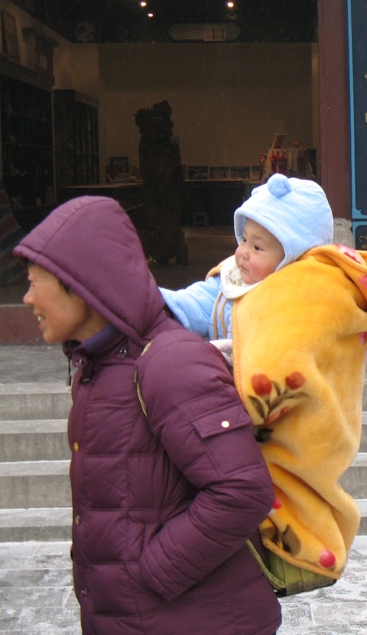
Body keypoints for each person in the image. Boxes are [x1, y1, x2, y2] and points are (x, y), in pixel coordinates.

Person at [14, 196, 282, 635]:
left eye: (33, 283)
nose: (26, 299)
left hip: (195, 620)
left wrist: (150, 573)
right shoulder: (96, 368)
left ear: (78, 282)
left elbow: (241, 490)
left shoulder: (169, 361)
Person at [160, 173, 367, 584]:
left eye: (258, 247)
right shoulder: (241, 275)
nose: (242, 254)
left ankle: (299, 552)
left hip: (287, 421)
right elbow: (203, 300)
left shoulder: (308, 294)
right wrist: (158, 305)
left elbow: (281, 361)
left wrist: (222, 368)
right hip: (228, 411)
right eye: (243, 239)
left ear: (293, 256)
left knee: (286, 492)